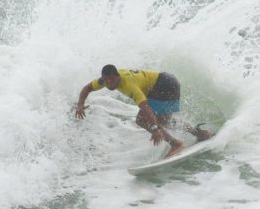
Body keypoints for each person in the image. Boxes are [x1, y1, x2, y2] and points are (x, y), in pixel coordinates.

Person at [76, 65, 211, 157]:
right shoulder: (103, 81)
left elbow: (145, 107)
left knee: (142, 120)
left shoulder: (129, 84)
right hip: (169, 81)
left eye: (112, 80)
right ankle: (199, 133)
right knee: (164, 121)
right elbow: (87, 88)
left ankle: (176, 144)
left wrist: (155, 129)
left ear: (118, 76)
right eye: (106, 81)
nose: (110, 83)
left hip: (164, 85)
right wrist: (80, 105)